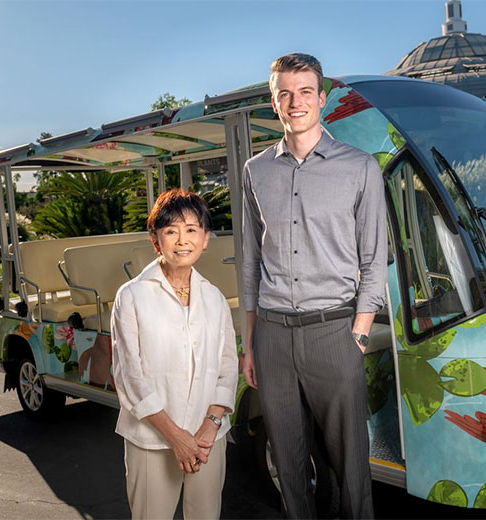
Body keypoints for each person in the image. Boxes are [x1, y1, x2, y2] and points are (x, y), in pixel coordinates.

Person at [241, 53, 387, 518]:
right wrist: (250, 344)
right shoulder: (255, 172)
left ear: (322, 99)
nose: (295, 101)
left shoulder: (360, 167)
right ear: (273, 102)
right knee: (287, 460)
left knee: (349, 467)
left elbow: (374, 261)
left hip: (336, 332)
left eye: (305, 92)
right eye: (284, 93)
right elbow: (250, 262)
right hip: (272, 335)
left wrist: (359, 335)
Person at [111, 189, 239, 519]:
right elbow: (129, 376)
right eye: (171, 231)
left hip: (209, 439)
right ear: (156, 240)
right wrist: (175, 437)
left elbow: (228, 368)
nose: (182, 240)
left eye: (192, 230)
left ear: (206, 238)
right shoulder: (132, 296)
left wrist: (210, 425)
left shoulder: (215, 299)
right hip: (151, 439)